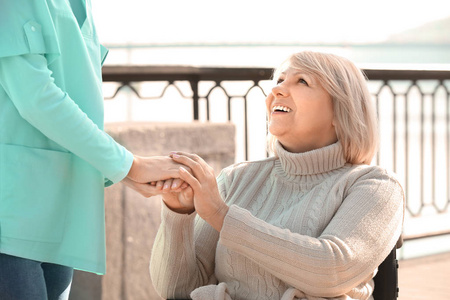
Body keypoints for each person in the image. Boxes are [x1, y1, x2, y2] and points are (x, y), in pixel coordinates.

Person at [149, 51, 405, 300]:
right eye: (280, 80)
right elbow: (176, 291)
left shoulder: (376, 186)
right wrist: (178, 214)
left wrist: (221, 215)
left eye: (302, 81)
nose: (277, 90)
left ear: (341, 111)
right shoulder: (236, 179)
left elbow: (333, 271)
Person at [0, 0, 186, 299]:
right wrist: (129, 165)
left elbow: (78, 104)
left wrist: (122, 171)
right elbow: (37, 98)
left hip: (64, 210)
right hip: (11, 215)